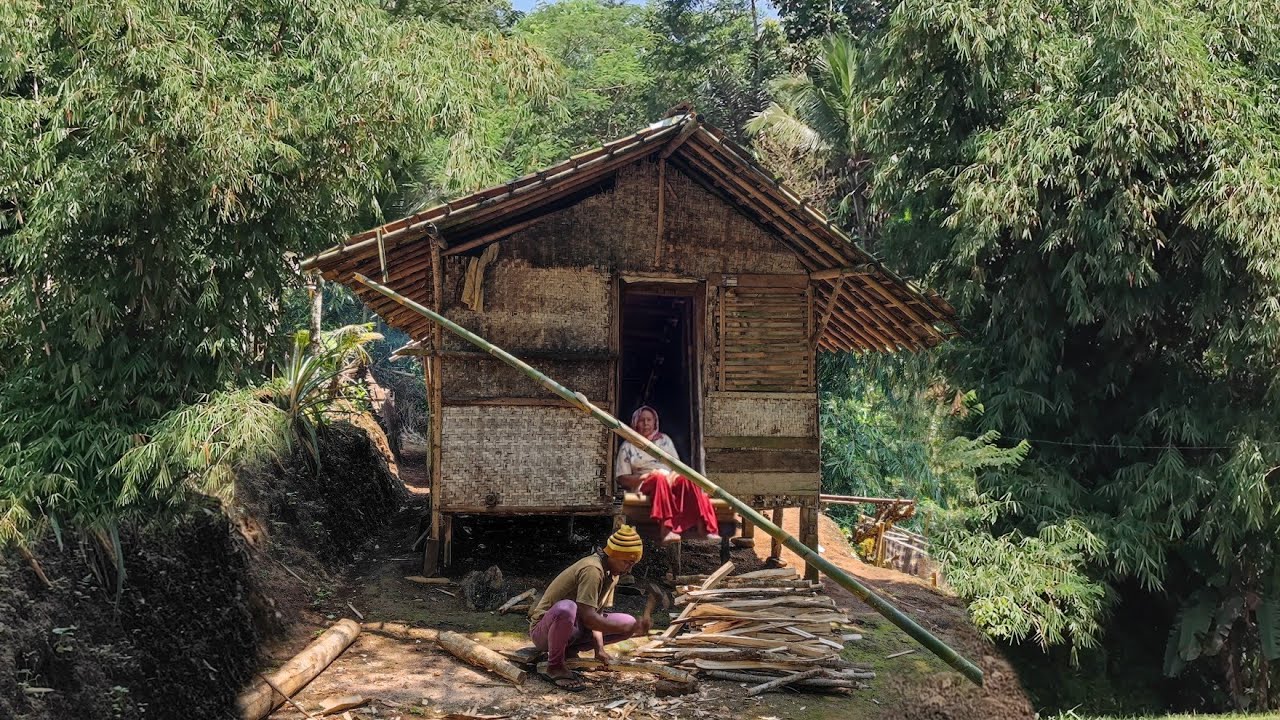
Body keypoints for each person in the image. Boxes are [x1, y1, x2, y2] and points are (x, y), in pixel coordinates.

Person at [528, 525, 652, 691]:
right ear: (613, 554)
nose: (629, 569)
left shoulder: (612, 574)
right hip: (543, 632)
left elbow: (598, 613)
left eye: (632, 564)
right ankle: (555, 667)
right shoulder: (592, 569)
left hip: (574, 628)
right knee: (566, 608)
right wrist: (631, 627)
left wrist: (599, 650)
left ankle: (568, 652)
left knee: (628, 621)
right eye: (626, 562)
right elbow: (590, 619)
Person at [614, 405, 720, 543]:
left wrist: (674, 475)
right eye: (641, 420)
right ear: (635, 423)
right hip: (645, 482)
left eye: (649, 420)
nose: (646, 423)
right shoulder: (628, 446)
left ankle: (707, 528)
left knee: (687, 479)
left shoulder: (664, 440)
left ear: (655, 422)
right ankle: (667, 529)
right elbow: (622, 478)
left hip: (670, 479)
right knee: (659, 478)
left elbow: (677, 466)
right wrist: (644, 477)